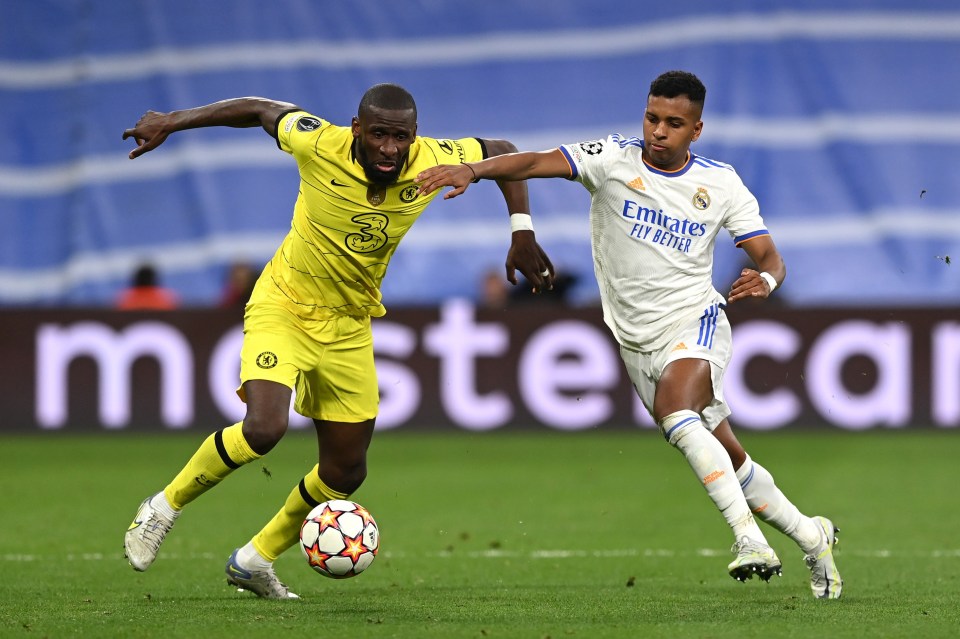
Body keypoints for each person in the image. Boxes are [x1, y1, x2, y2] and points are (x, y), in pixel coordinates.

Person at [417, 70, 842, 599]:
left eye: (673, 123)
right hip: (634, 340)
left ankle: (749, 540)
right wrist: (472, 170)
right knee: (727, 456)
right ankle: (812, 535)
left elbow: (769, 256)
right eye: (652, 117)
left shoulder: (721, 183)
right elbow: (531, 161)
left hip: (695, 320)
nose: (658, 131)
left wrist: (769, 279)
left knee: (677, 413)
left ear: (696, 130)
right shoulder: (611, 158)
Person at [121, 84, 554, 598]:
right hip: (283, 304)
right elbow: (260, 109)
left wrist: (521, 231)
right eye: (379, 136)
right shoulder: (316, 142)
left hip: (349, 323)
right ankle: (163, 507)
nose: (391, 149)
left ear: (415, 136)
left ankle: (253, 560)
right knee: (264, 428)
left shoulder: (433, 159)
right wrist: (173, 119)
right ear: (356, 129)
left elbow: (503, 152)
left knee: (345, 469)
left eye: (401, 138)